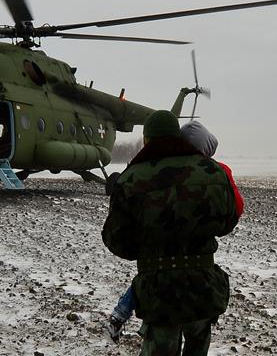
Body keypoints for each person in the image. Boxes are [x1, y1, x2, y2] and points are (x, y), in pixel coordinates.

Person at [102, 111, 242, 355]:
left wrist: (147, 250)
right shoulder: (213, 172)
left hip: (159, 292)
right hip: (203, 287)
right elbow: (228, 221)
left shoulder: (132, 179)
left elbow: (116, 240)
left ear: (147, 140)